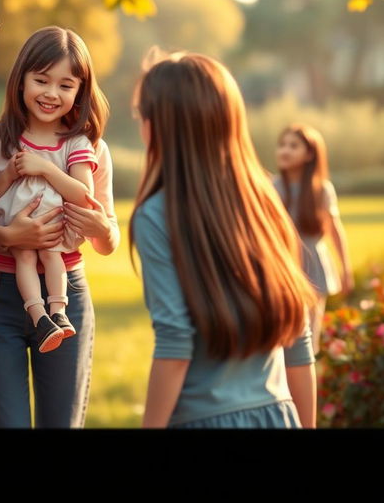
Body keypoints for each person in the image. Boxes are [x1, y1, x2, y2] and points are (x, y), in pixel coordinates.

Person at [130, 48, 318, 429]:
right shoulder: (264, 198)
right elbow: (299, 339)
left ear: (158, 126)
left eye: (141, 115)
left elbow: (175, 345)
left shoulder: (156, 215)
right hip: (279, 415)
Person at [0, 26, 118, 427]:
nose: (51, 93)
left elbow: (108, 239)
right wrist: (10, 237)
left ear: (80, 91)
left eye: (65, 84)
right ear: (21, 80)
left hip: (65, 292)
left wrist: (101, 228)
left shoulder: (89, 147)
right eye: (41, 80)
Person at [273, 123, 354, 354]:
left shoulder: (323, 190)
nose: (285, 151)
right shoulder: (272, 187)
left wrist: (345, 269)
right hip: (282, 269)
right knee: (281, 338)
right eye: (282, 145)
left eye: (293, 146)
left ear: (310, 154)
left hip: (314, 268)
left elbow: (334, 230)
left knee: (308, 340)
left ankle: (308, 387)